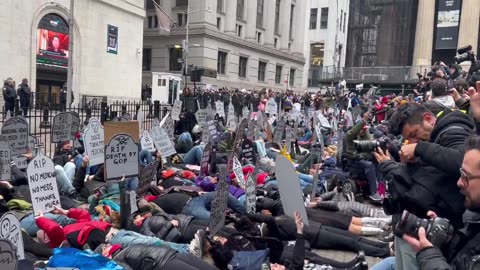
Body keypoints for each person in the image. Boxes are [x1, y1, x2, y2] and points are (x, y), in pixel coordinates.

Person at [377, 102, 474, 270]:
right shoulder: (435, 137)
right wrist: (412, 163)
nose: (414, 141)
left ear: (428, 119)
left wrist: (419, 149)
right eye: (410, 138)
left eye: (414, 134)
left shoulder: (453, 129)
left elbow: (460, 162)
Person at [344, 112, 382, 201]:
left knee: (380, 163)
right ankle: (374, 192)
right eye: (362, 129)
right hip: (354, 160)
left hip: (365, 158)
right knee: (369, 165)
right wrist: (363, 121)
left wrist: (366, 133)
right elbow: (353, 132)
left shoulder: (365, 136)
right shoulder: (350, 137)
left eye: (365, 130)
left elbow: (371, 142)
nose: (364, 131)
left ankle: (381, 189)